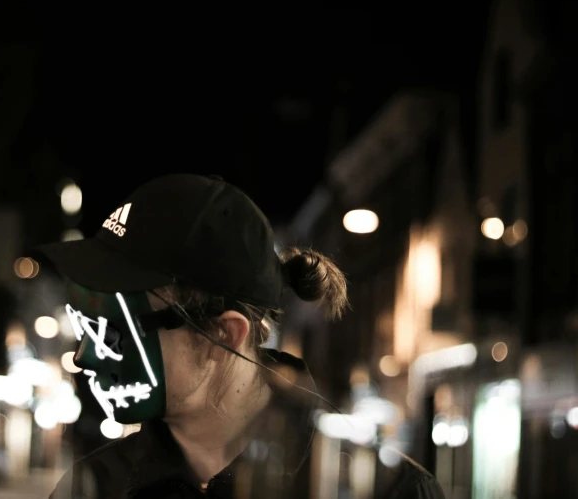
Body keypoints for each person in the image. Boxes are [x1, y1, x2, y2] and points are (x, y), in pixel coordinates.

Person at [36, 174, 444, 499]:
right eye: (85, 325)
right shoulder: (94, 487)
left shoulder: (390, 492)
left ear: (224, 334)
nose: (84, 356)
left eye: (116, 328)